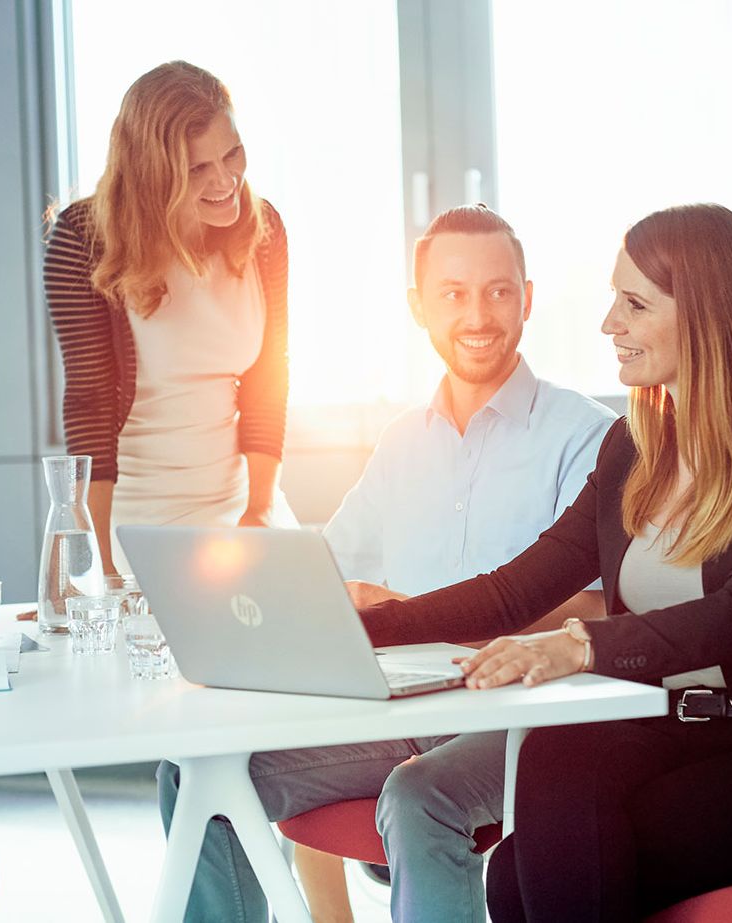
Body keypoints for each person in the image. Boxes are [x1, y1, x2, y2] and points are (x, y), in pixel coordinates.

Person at [356, 203, 732, 922]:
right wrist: (366, 627)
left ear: (707, 314)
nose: (608, 324)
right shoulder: (633, 447)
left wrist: (579, 644)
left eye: (634, 304)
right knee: (525, 847)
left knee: (542, 873)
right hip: (660, 730)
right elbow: (512, 591)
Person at [158, 205, 615, 923]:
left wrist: (415, 604)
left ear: (527, 298)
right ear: (418, 307)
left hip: (524, 717)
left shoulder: (585, 435)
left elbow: (600, 611)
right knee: (200, 771)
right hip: (402, 704)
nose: (478, 314)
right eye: (453, 293)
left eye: (498, 291)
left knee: (417, 793)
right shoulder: (403, 442)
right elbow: (323, 570)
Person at [44, 60, 296, 576]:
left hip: (242, 508)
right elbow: (90, 401)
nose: (225, 180)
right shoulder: (83, 238)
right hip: (134, 519)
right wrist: (96, 561)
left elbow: (269, 377)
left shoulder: (263, 226)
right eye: (197, 169)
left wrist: (260, 510)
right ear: (152, 172)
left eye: (232, 154)